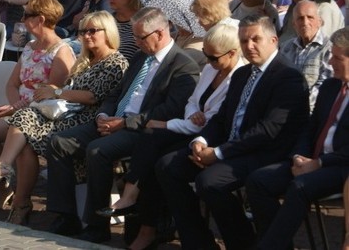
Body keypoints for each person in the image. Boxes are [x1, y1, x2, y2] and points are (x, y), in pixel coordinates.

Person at [156, 15, 310, 250]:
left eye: (256, 39)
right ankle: (199, 242)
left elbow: (268, 130)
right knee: (168, 166)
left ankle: (242, 244)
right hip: (233, 147)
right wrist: (201, 139)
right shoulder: (242, 74)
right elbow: (222, 117)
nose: (249, 46)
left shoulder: (287, 76)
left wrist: (218, 153)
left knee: (209, 182)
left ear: (274, 40)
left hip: (266, 153)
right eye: (244, 40)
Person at [46, 8, 200, 241]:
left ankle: (97, 226)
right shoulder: (140, 58)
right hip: (113, 119)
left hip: (140, 128)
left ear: (159, 33)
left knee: (98, 151)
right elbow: (115, 94)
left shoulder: (182, 65)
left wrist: (124, 123)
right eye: (135, 37)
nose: (136, 42)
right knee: (59, 141)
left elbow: (168, 110)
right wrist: (103, 116)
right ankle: (67, 216)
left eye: (140, 37)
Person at [97, 23, 245, 250]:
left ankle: (145, 218)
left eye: (213, 57)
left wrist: (171, 123)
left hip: (213, 137)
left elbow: (215, 121)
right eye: (205, 55)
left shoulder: (239, 77)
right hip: (193, 129)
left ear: (232, 53)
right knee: (152, 143)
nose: (208, 61)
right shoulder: (211, 69)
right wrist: (192, 114)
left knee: (162, 160)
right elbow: (193, 102)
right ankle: (140, 213)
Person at [0, 0, 77, 218]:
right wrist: (15, 105)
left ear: (40, 19)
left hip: (40, 114)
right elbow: (13, 83)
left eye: (27, 14)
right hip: (19, 107)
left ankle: (7, 188)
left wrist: (16, 108)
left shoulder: (62, 52)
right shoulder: (30, 47)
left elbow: (50, 93)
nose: (22, 18)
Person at [246, 26, 349, 249]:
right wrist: (298, 156)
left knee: (300, 186)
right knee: (258, 180)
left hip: (340, 166)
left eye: (337, 58)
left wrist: (318, 163)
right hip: (310, 160)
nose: (330, 63)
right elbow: (310, 127)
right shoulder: (331, 86)